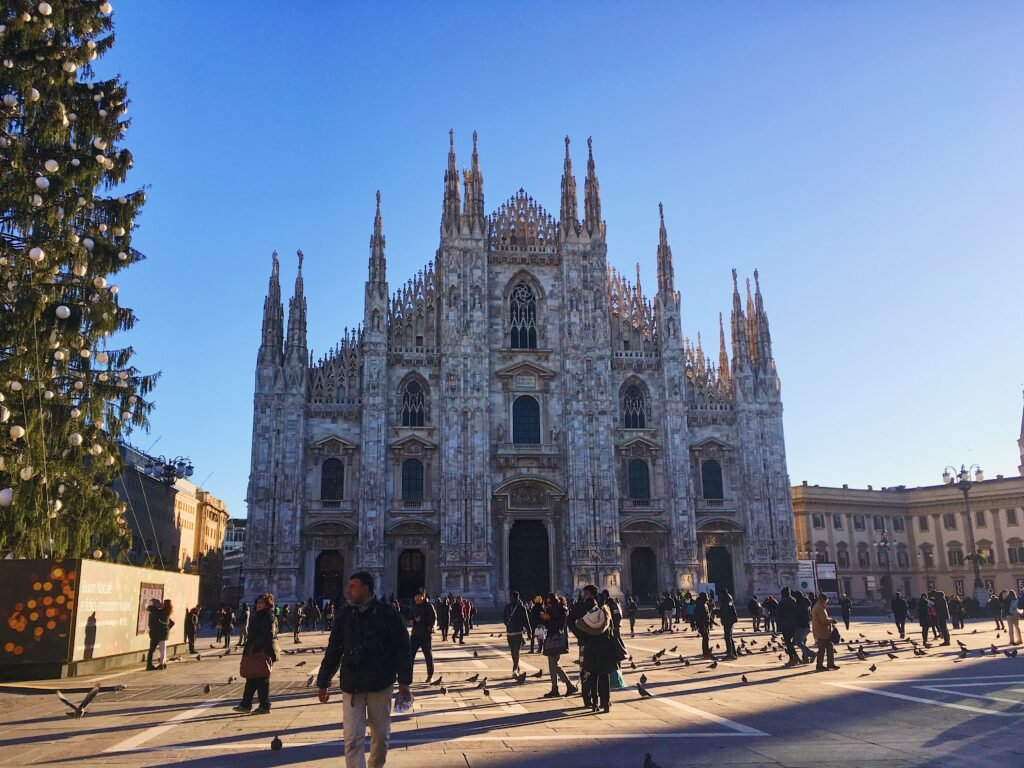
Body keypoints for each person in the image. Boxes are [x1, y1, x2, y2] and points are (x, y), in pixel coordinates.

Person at [316, 571, 413, 768]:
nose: (348, 591)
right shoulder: (345, 615)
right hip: (353, 684)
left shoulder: (387, 613)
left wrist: (404, 682)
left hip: (380, 683)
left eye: (353, 587)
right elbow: (334, 650)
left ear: (366, 588)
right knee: (352, 738)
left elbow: (402, 648)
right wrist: (323, 681)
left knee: (380, 736)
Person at [574, 590, 623, 713]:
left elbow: (582, 637)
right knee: (604, 677)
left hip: (591, 651)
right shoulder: (605, 615)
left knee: (593, 677)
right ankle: (606, 703)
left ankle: (595, 703)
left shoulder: (584, 621)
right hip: (605, 650)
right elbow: (611, 631)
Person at [234, 593, 280, 714]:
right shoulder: (259, 615)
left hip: (261, 651)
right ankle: (245, 704)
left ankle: (265, 705)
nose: (258, 605)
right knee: (252, 678)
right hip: (254, 650)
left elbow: (268, 635)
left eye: (261, 603)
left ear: (267, 604)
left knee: (261, 679)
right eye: (258, 602)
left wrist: (263, 649)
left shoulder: (268, 616)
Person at [539, 593, 577, 698]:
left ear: (555, 601)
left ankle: (569, 685)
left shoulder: (562, 610)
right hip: (551, 638)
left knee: (554, 664)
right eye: (547, 603)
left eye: (550, 602)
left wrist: (549, 618)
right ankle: (554, 689)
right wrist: (545, 618)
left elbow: (559, 625)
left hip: (558, 639)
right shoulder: (551, 610)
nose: (548, 605)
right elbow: (548, 625)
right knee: (552, 665)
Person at [406, 588, 437, 682]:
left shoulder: (429, 606)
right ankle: (408, 675)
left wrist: (423, 621)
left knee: (428, 655)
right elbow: (410, 616)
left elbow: (433, 618)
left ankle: (430, 675)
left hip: (425, 635)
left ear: (424, 597)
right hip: (415, 634)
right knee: (410, 656)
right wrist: (412, 621)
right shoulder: (413, 606)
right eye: (416, 597)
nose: (417, 598)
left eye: (419, 596)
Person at [503, 591, 532, 675]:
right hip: (509, 632)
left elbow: (526, 621)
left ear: (517, 598)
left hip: (518, 632)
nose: (512, 599)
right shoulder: (507, 607)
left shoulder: (521, 608)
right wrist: (506, 622)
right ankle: (517, 666)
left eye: (513, 598)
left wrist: (529, 632)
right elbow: (504, 617)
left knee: (516, 651)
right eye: (511, 598)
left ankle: (514, 668)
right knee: (513, 651)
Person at [810, 593, 839, 671]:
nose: (827, 602)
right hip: (821, 632)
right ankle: (820, 665)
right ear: (823, 600)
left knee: (829, 647)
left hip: (822, 631)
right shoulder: (820, 608)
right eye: (826, 600)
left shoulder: (819, 606)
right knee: (822, 649)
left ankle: (830, 664)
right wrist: (832, 620)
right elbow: (824, 620)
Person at [777, 587, 799, 667]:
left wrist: (778, 627)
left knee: (788, 642)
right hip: (794, 624)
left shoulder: (782, 602)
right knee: (791, 642)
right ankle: (796, 656)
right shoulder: (793, 600)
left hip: (785, 624)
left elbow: (778, 614)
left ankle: (792, 658)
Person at [792, 590, 814, 663]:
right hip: (806, 625)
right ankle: (806, 658)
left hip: (801, 625)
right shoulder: (806, 603)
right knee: (803, 642)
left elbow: (798, 614)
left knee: (798, 642)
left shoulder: (799, 604)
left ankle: (811, 654)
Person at [145, 598, 166, 671]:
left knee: (151, 649)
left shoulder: (153, 612)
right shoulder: (156, 612)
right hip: (156, 633)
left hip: (154, 633)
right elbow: (157, 623)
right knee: (152, 650)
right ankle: (149, 665)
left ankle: (149, 664)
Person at [720, 592, 739, 659]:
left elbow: (724, 613)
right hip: (729, 622)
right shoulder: (729, 602)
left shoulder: (725, 603)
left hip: (727, 622)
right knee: (729, 637)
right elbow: (733, 612)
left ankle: (730, 654)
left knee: (727, 637)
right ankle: (734, 653)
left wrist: (717, 612)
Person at [693, 592, 712, 658]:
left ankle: (706, 651)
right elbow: (697, 616)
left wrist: (711, 621)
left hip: (706, 624)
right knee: (705, 638)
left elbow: (708, 615)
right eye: (705, 597)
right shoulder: (699, 605)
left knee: (706, 638)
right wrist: (700, 625)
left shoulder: (705, 604)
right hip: (702, 624)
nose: (707, 598)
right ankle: (705, 652)